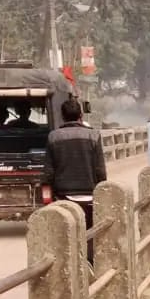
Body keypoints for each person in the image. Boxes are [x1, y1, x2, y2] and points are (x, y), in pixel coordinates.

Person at [45, 99, 107, 261]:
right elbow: (100, 170)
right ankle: (89, 266)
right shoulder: (93, 135)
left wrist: (47, 194)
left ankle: (69, 264)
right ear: (80, 115)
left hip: (63, 195)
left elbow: (48, 172)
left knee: (65, 233)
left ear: (62, 117)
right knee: (90, 233)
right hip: (90, 194)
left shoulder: (53, 137)